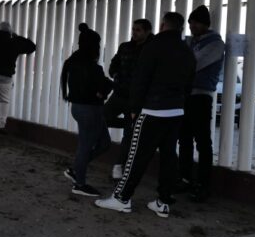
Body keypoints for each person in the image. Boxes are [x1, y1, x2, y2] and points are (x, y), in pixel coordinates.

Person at [95, 12, 196, 218]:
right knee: (169, 157)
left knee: (136, 155)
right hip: (176, 111)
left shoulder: (154, 47)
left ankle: (122, 198)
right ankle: (163, 202)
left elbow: (141, 79)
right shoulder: (187, 51)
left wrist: (134, 108)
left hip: (152, 110)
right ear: (181, 28)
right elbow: (189, 82)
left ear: (162, 25)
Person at [60, 23, 114, 197]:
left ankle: (76, 170)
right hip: (90, 110)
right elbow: (100, 89)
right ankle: (79, 183)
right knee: (86, 147)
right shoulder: (92, 68)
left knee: (103, 143)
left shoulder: (72, 62)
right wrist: (108, 85)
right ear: (95, 46)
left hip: (80, 108)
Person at [178, 5, 225, 202]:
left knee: (203, 142)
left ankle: (203, 185)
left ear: (206, 24)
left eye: (195, 22)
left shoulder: (215, 44)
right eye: (190, 22)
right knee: (185, 139)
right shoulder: (190, 42)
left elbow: (192, 64)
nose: (191, 25)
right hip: (186, 96)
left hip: (201, 97)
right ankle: (185, 178)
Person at [105, 19, 153, 180]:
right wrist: (115, 73)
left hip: (137, 99)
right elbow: (114, 63)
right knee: (102, 118)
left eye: (138, 30)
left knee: (129, 134)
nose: (134, 32)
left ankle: (119, 165)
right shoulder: (125, 46)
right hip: (119, 94)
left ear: (147, 31)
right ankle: (127, 125)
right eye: (133, 29)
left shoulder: (152, 48)